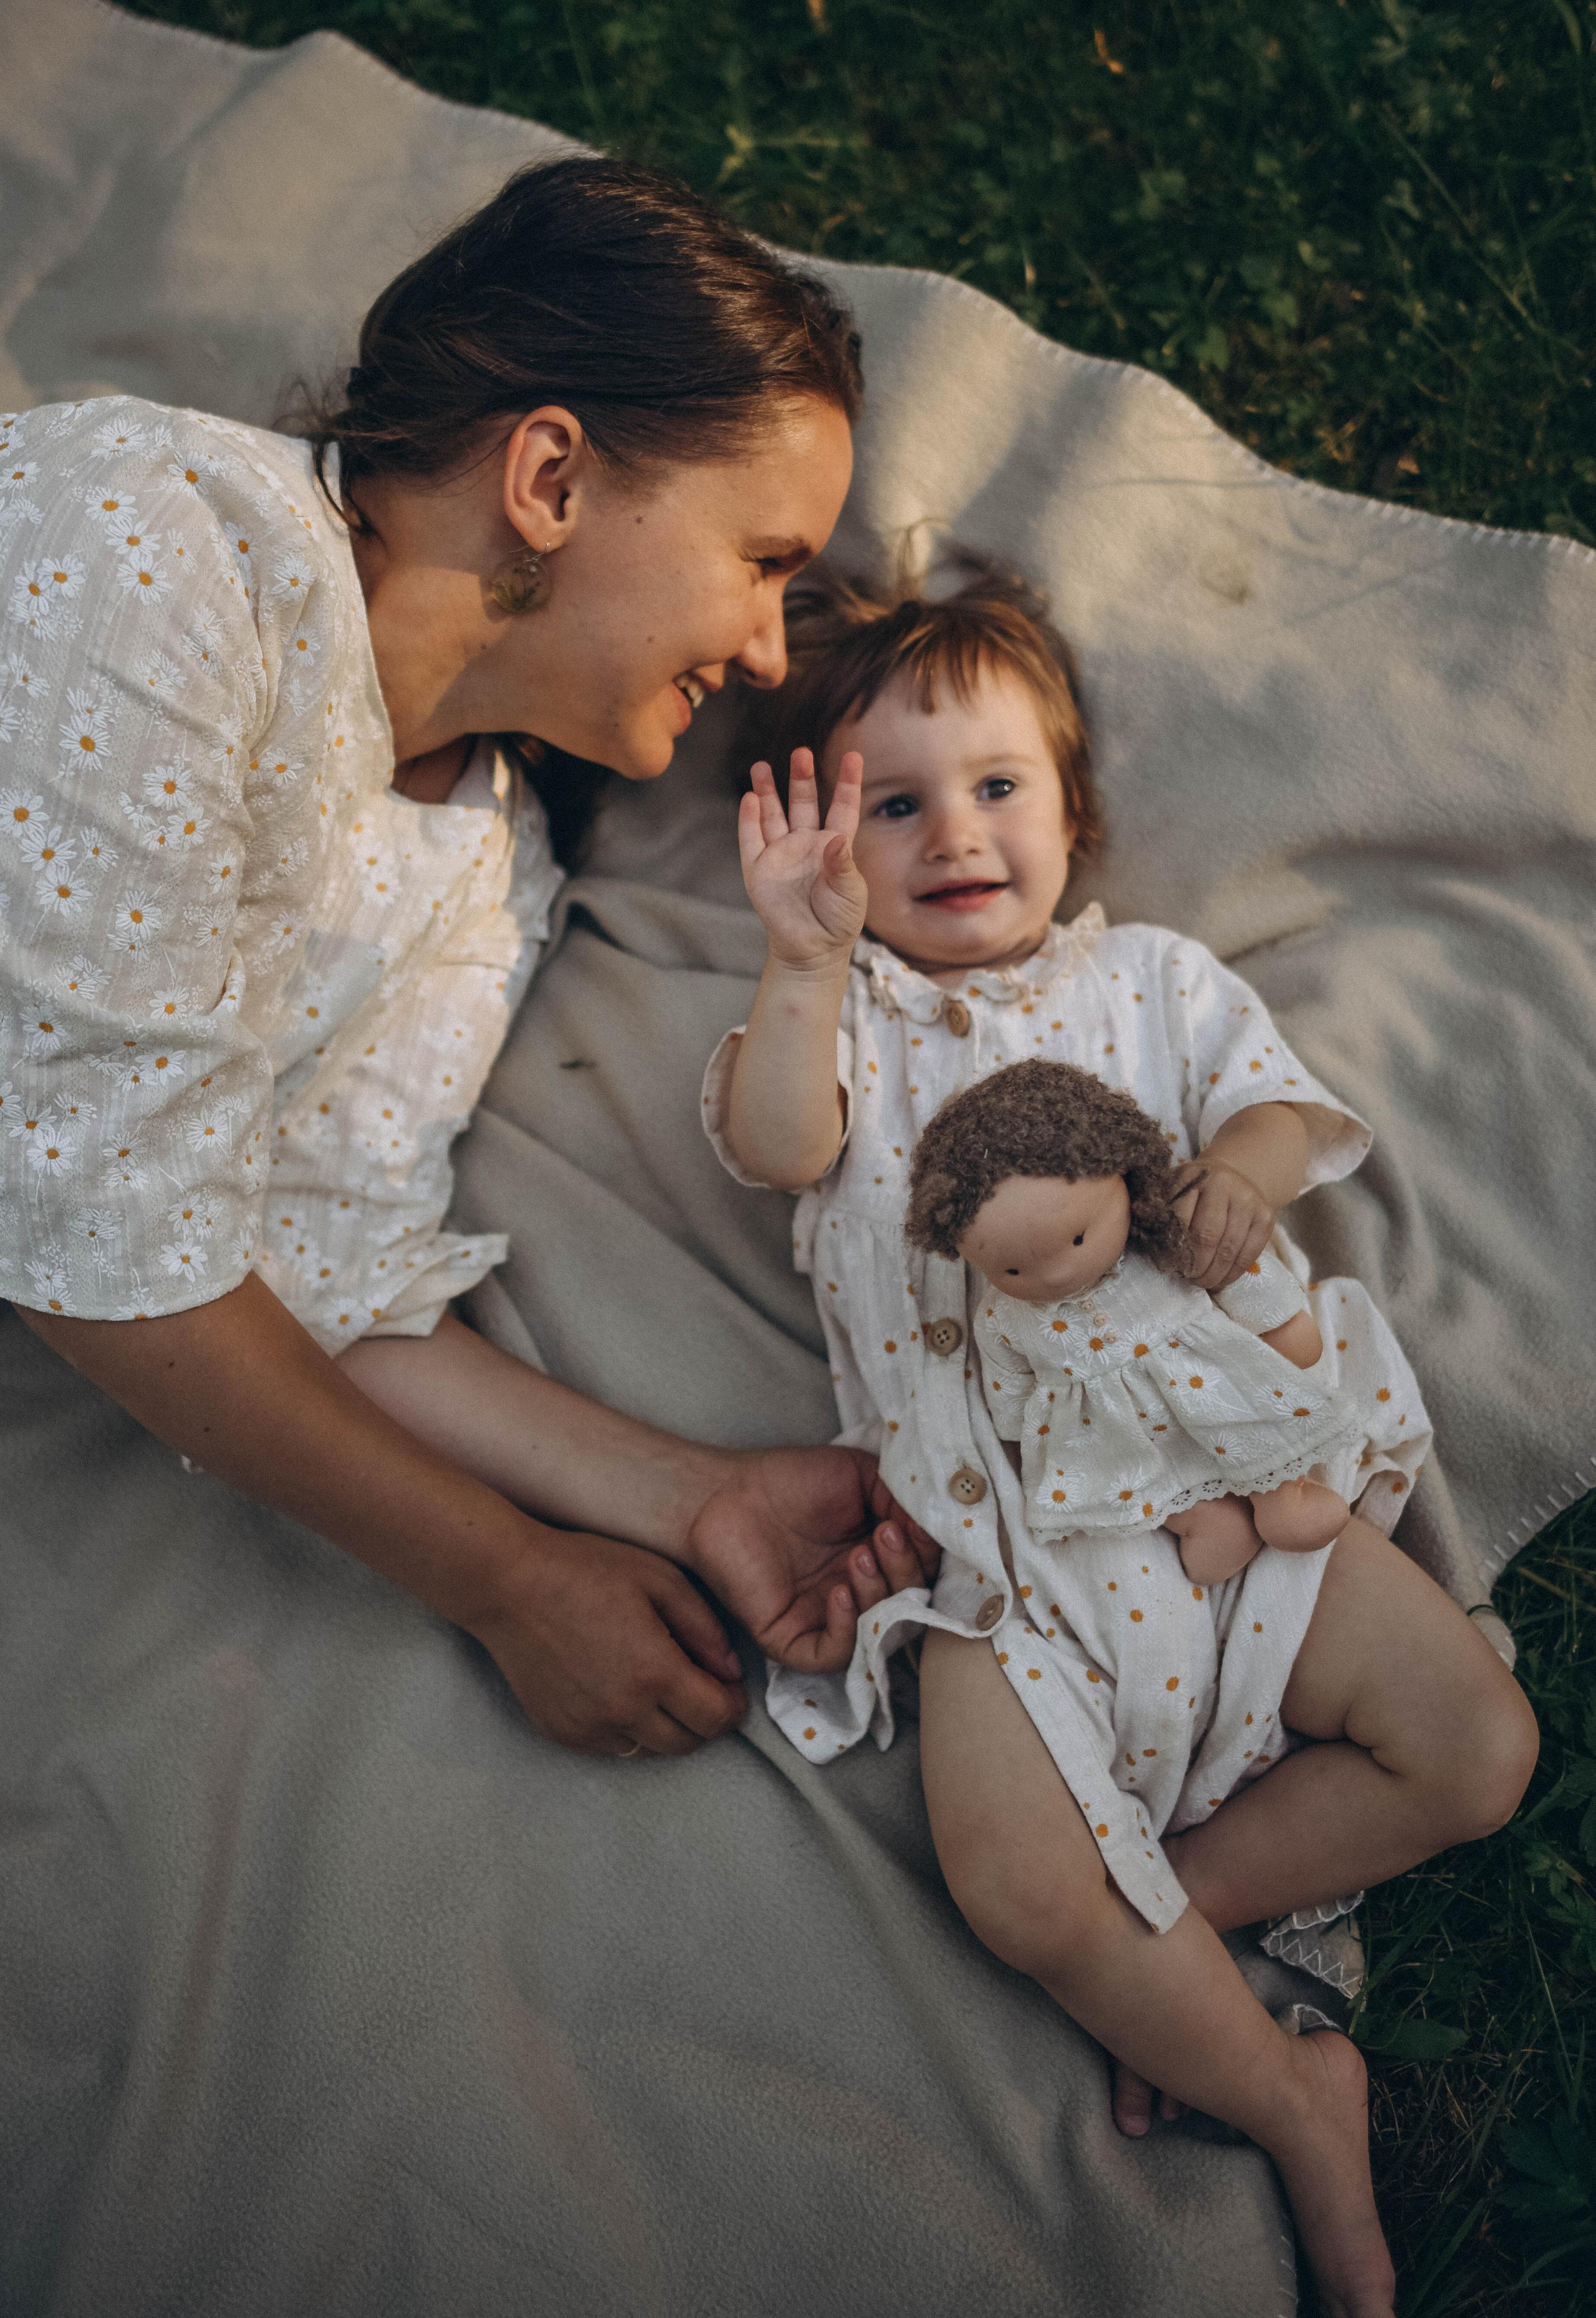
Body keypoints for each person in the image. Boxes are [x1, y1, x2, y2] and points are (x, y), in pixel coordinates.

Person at [0, 156, 938, 1768]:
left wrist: (687, 1492)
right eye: (764, 560)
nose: (777, 649)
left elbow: (307, 1261)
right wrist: (504, 1580)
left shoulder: (488, 867)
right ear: (553, 479)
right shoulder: (158, 544)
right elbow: (113, 1251)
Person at [700, 553, 1538, 2318]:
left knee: (1478, 1746)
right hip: (1009, 1560)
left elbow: (1276, 1110)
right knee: (1012, 1884)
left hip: (1236, 1487)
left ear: (1074, 811)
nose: (951, 836)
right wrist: (794, 959)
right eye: (894, 810)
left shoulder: (1150, 978)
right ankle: (1299, 2109)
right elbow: (779, 1145)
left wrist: (1238, 1175)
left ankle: (1199, 1932)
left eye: (996, 786)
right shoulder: (835, 1020)